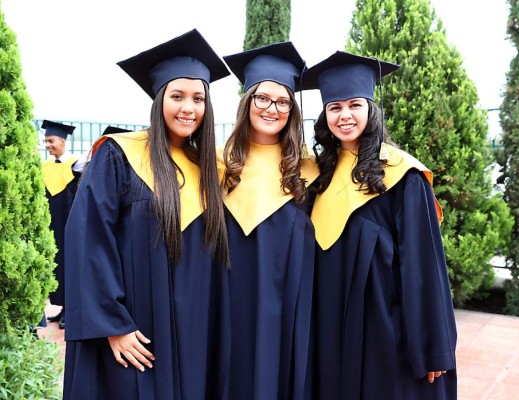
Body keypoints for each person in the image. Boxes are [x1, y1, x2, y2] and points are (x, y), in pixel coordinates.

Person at [63, 29, 231, 399]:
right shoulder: (118, 156)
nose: (189, 108)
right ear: (159, 100)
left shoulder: (212, 169)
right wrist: (112, 323)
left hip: (195, 330)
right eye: (177, 96)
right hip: (135, 329)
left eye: (198, 98)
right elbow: (89, 239)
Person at [302, 51, 457, 399]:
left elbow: (423, 265)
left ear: (372, 109)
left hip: (383, 328)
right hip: (329, 327)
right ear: (324, 115)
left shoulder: (402, 175)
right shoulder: (318, 176)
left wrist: (433, 345)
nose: (344, 116)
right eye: (334, 107)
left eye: (355, 105)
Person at [220, 42, 319, 399]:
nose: (272, 109)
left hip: (288, 305)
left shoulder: (308, 168)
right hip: (228, 302)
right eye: (263, 98)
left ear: (292, 110)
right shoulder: (218, 164)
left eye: (282, 102)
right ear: (247, 101)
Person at [40, 119, 80, 330]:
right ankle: (61, 305)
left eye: (51, 141)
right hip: (51, 225)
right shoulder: (44, 167)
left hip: (68, 224)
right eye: (46, 141)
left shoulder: (76, 165)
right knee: (55, 265)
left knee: (69, 264)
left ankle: (70, 309)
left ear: (63, 141)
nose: (47, 145)